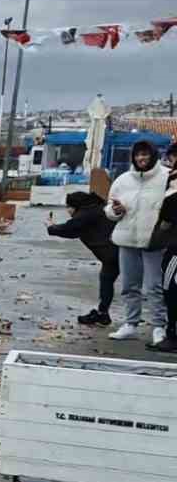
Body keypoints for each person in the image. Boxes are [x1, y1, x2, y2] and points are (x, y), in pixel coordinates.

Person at [105, 140, 171, 343]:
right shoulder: (123, 180)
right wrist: (115, 210)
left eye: (145, 154)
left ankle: (159, 326)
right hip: (127, 239)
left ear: (153, 155)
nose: (141, 158)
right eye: (138, 155)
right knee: (129, 285)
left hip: (155, 241)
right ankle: (130, 324)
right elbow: (109, 208)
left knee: (154, 287)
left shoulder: (167, 176)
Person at [47, 191, 119, 325]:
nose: (67, 210)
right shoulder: (94, 209)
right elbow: (75, 231)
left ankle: (108, 315)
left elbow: (70, 228)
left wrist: (51, 227)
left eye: (68, 207)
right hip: (113, 254)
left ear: (75, 206)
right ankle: (102, 313)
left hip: (113, 253)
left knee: (126, 286)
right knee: (107, 281)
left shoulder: (86, 214)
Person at [149, 164, 177, 352]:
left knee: (170, 291)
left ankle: (173, 335)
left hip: (175, 252)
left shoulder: (171, 199)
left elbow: (164, 225)